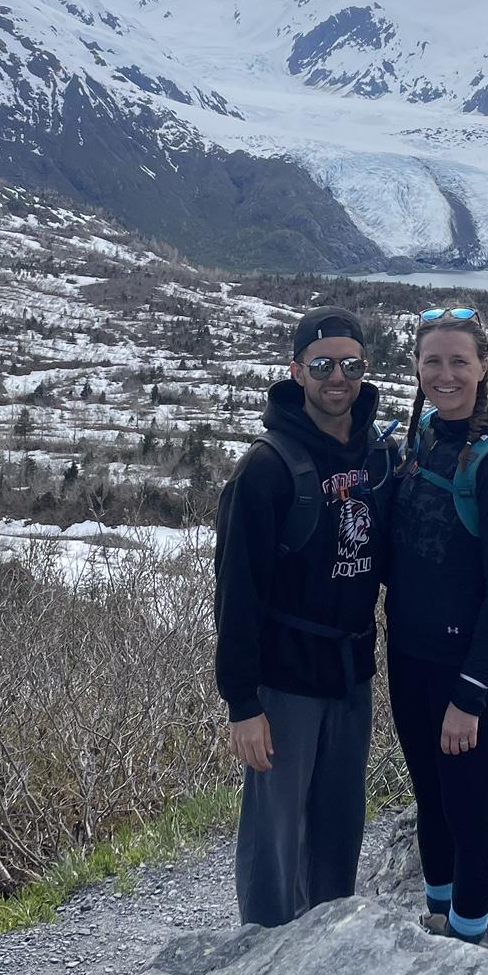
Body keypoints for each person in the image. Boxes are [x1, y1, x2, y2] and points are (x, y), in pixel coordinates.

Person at [213, 305, 395, 927]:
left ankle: (326, 947)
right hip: (286, 683)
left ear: (365, 370)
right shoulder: (264, 470)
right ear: (296, 371)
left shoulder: (378, 456)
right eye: (321, 365)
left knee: (340, 827)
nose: (336, 377)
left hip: (351, 677)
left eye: (350, 364)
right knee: (276, 836)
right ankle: (262, 959)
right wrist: (242, 703)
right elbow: (236, 594)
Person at [386, 306, 488, 944]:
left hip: (468, 668)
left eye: (459, 361)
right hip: (409, 655)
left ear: (483, 370)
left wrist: (469, 697)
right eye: (432, 361)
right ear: (417, 369)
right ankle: (438, 914)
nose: (445, 374)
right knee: (430, 795)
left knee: (469, 807)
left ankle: (468, 943)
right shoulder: (423, 440)